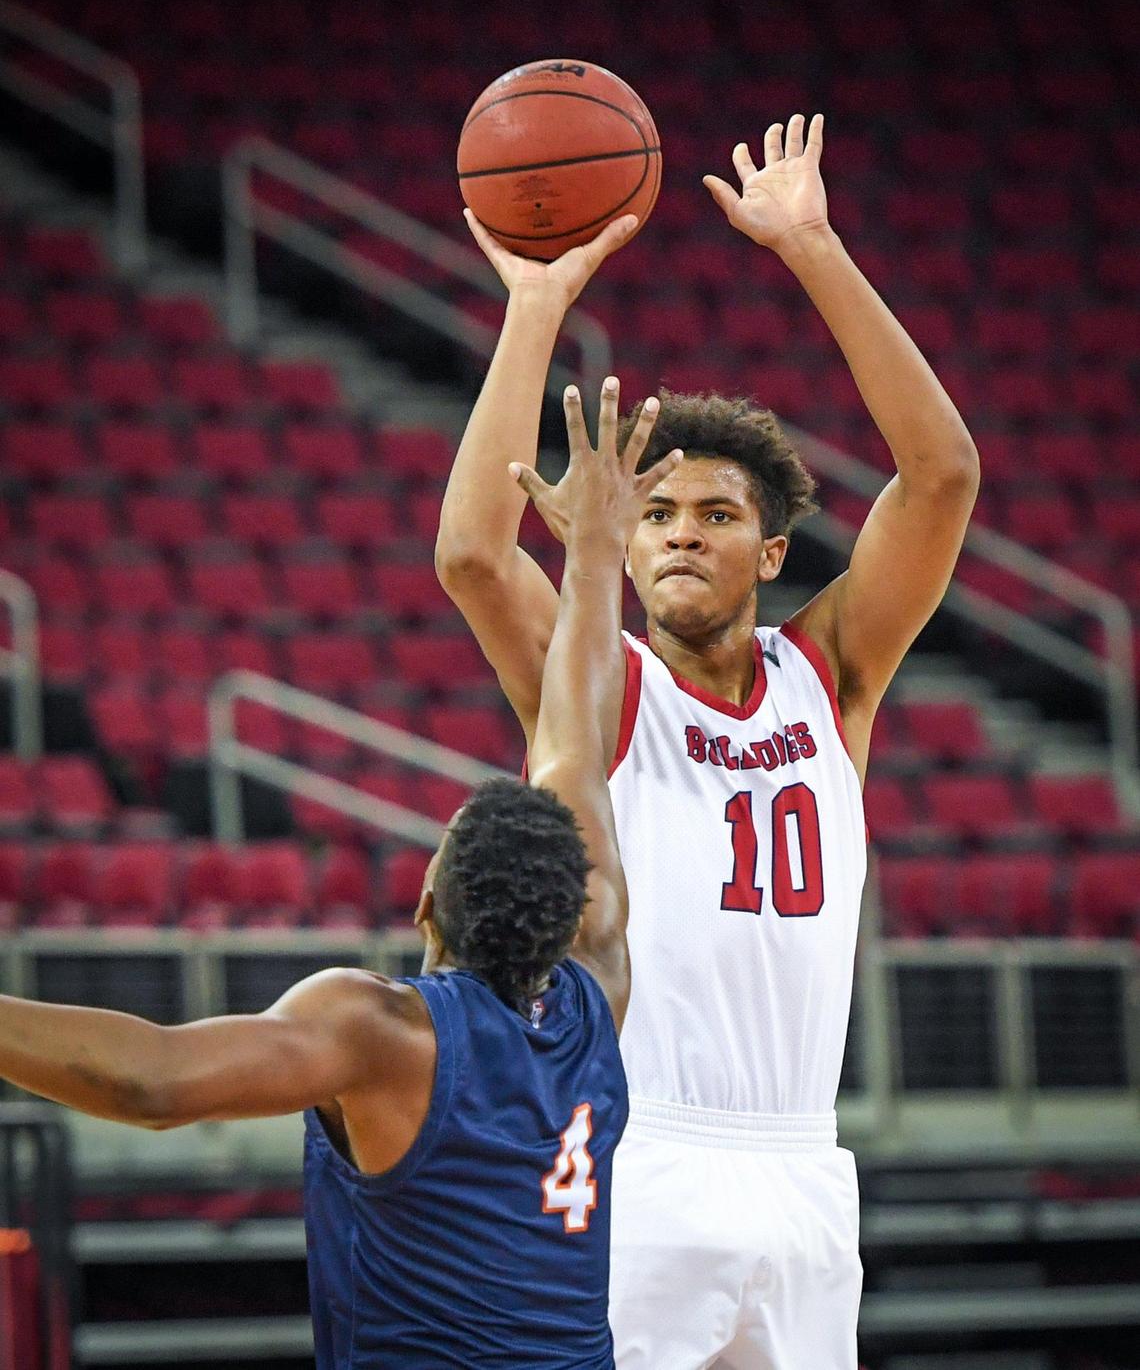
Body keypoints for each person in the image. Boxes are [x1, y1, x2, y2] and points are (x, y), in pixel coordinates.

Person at [437, 112, 980, 1368]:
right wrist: (535, 303)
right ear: (623, 543)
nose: (682, 532)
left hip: (803, 1163)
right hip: (642, 1150)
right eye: (659, 511)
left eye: (717, 513)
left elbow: (942, 473)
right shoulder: (599, 687)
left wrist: (814, 247)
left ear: (772, 551)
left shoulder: (830, 674)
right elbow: (471, 553)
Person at [0, 387, 678, 1367]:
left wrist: (595, 552)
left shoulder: (380, 1032)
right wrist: (597, 557)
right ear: (572, 911)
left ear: (423, 902)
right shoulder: (598, 986)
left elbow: (153, 1080)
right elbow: (574, 743)